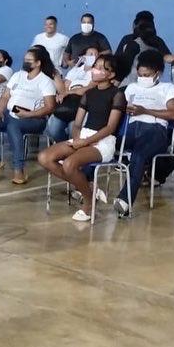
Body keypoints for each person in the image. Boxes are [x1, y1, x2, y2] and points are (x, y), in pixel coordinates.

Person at [38, 54, 126, 222]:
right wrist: (77, 139)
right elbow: (77, 124)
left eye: (101, 68)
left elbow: (110, 127)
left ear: (111, 74)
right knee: (45, 157)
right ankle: (88, 189)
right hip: (83, 136)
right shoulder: (89, 94)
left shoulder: (117, 95)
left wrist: (86, 142)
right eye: (95, 66)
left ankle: (88, 203)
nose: (95, 70)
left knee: (70, 164)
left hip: (103, 141)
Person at [111, 50, 174, 216]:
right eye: (140, 74)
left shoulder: (167, 88)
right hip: (131, 129)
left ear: (157, 73)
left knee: (139, 155)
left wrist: (146, 111)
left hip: (155, 131)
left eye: (147, 74)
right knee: (105, 144)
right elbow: (118, 107)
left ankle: (125, 201)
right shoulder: (132, 88)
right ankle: (86, 186)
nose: (143, 77)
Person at [0, 46, 57, 184]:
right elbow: (5, 97)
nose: (25, 62)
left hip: (35, 119)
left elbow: (50, 107)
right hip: (12, 113)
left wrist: (29, 114)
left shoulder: (45, 81)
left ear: (38, 63)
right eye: (25, 60)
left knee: (13, 126)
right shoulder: (18, 75)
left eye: (29, 60)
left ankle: (19, 169)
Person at [46, 46, 100, 143]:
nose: (94, 56)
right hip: (67, 103)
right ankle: (63, 146)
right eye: (91, 54)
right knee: (53, 129)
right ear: (84, 57)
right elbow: (65, 87)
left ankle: (69, 149)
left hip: (82, 104)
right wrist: (62, 94)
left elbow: (88, 89)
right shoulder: (75, 70)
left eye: (96, 54)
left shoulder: (97, 72)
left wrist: (69, 92)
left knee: (73, 130)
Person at [115, 11, 174, 86]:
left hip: (142, 85)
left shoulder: (157, 41)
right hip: (131, 84)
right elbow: (167, 57)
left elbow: (167, 57)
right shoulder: (129, 40)